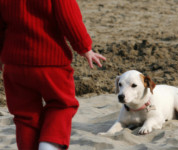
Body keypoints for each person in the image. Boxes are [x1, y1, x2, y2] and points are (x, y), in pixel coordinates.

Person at [0, 0, 106, 149]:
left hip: (14, 64)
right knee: (62, 105)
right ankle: (48, 146)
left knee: (25, 115)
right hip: (51, 61)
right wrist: (84, 48)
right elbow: (69, 19)